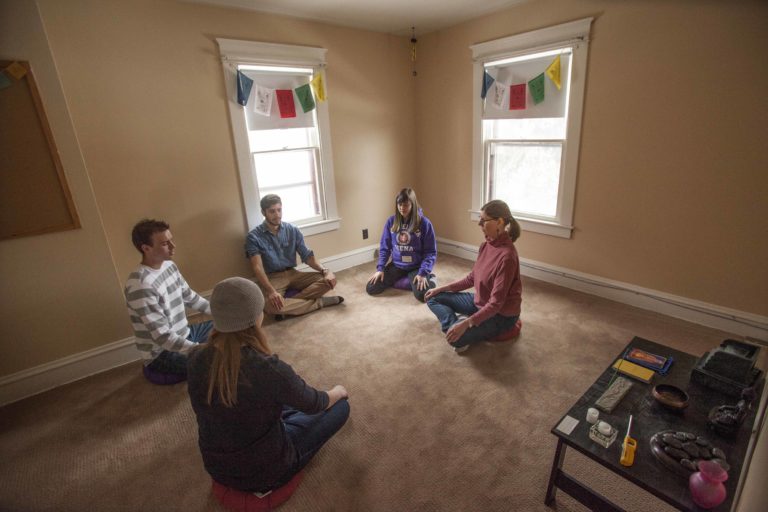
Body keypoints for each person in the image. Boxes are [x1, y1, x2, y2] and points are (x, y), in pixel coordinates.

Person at [187, 277, 350, 492]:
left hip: (216, 468)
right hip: (269, 471)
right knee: (340, 407)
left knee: (277, 400)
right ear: (255, 317)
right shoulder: (267, 368)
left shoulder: (195, 356)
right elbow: (315, 403)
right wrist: (338, 391)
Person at [424, 200, 522, 354]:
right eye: (479, 219)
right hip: (480, 302)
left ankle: (459, 325)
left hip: (501, 315)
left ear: (500, 222)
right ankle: (455, 323)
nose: (479, 224)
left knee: (455, 339)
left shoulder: (507, 257)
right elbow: (472, 278)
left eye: (484, 221)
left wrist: (467, 324)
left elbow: (496, 304)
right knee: (432, 298)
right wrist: (441, 289)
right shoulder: (486, 245)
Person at [124, 219, 213, 376]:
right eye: (165, 243)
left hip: (185, 333)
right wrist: (197, 349)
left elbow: (190, 297)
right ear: (146, 248)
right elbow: (163, 336)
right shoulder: (141, 285)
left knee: (228, 328)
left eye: (171, 240)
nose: (173, 246)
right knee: (217, 363)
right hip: (162, 354)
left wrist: (222, 314)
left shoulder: (169, 266)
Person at [245, 194, 343, 320]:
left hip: (293, 273)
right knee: (270, 307)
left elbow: (308, 256)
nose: (277, 215)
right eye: (272, 211)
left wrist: (326, 271)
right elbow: (257, 267)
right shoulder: (253, 237)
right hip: (273, 278)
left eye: (279, 210)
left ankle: (291, 303)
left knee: (329, 281)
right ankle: (319, 302)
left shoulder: (292, 230)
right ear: (263, 212)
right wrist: (271, 291)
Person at [366, 188, 438, 302]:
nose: (402, 208)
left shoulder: (425, 223)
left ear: (413, 205)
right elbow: (385, 248)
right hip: (397, 265)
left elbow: (430, 252)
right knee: (371, 288)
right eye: (399, 204)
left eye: (405, 205)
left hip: (416, 266)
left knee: (422, 295)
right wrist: (380, 269)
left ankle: (427, 278)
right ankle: (407, 280)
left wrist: (423, 273)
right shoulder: (391, 221)